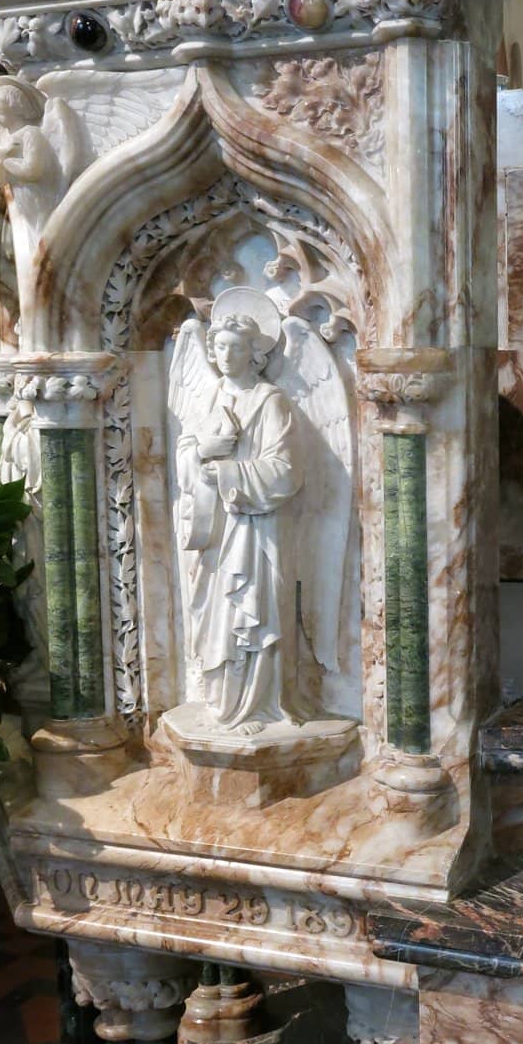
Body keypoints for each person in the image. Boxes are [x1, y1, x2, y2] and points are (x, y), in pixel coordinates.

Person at [176, 309, 302, 735]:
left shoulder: (271, 401)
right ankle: (217, 701)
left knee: (252, 611)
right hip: (215, 528)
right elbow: (184, 460)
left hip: (255, 527)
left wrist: (228, 472)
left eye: (234, 347)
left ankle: (255, 706)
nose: (224, 354)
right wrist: (200, 454)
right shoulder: (208, 397)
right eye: (218, 347)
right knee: (214, 611)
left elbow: (286, 471)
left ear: (254, 353)